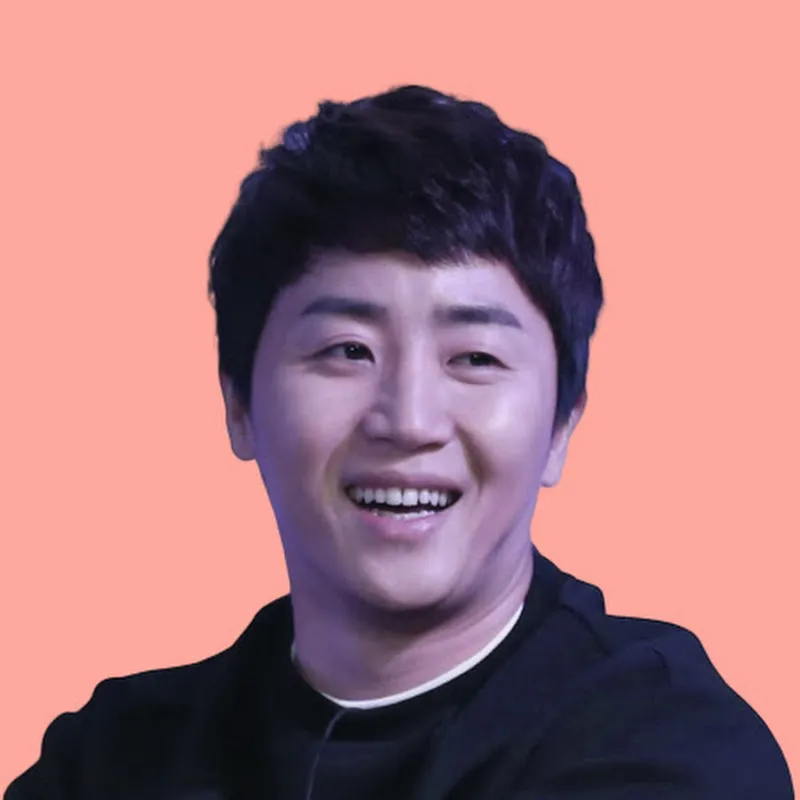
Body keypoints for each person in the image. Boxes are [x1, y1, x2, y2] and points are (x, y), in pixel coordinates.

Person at [6, 85, 793, 800]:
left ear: (561, 425)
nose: (409, 420)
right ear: (238, 403)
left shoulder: (672, 751)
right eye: (348, 350)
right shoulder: (111, 758)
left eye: (475, 359)